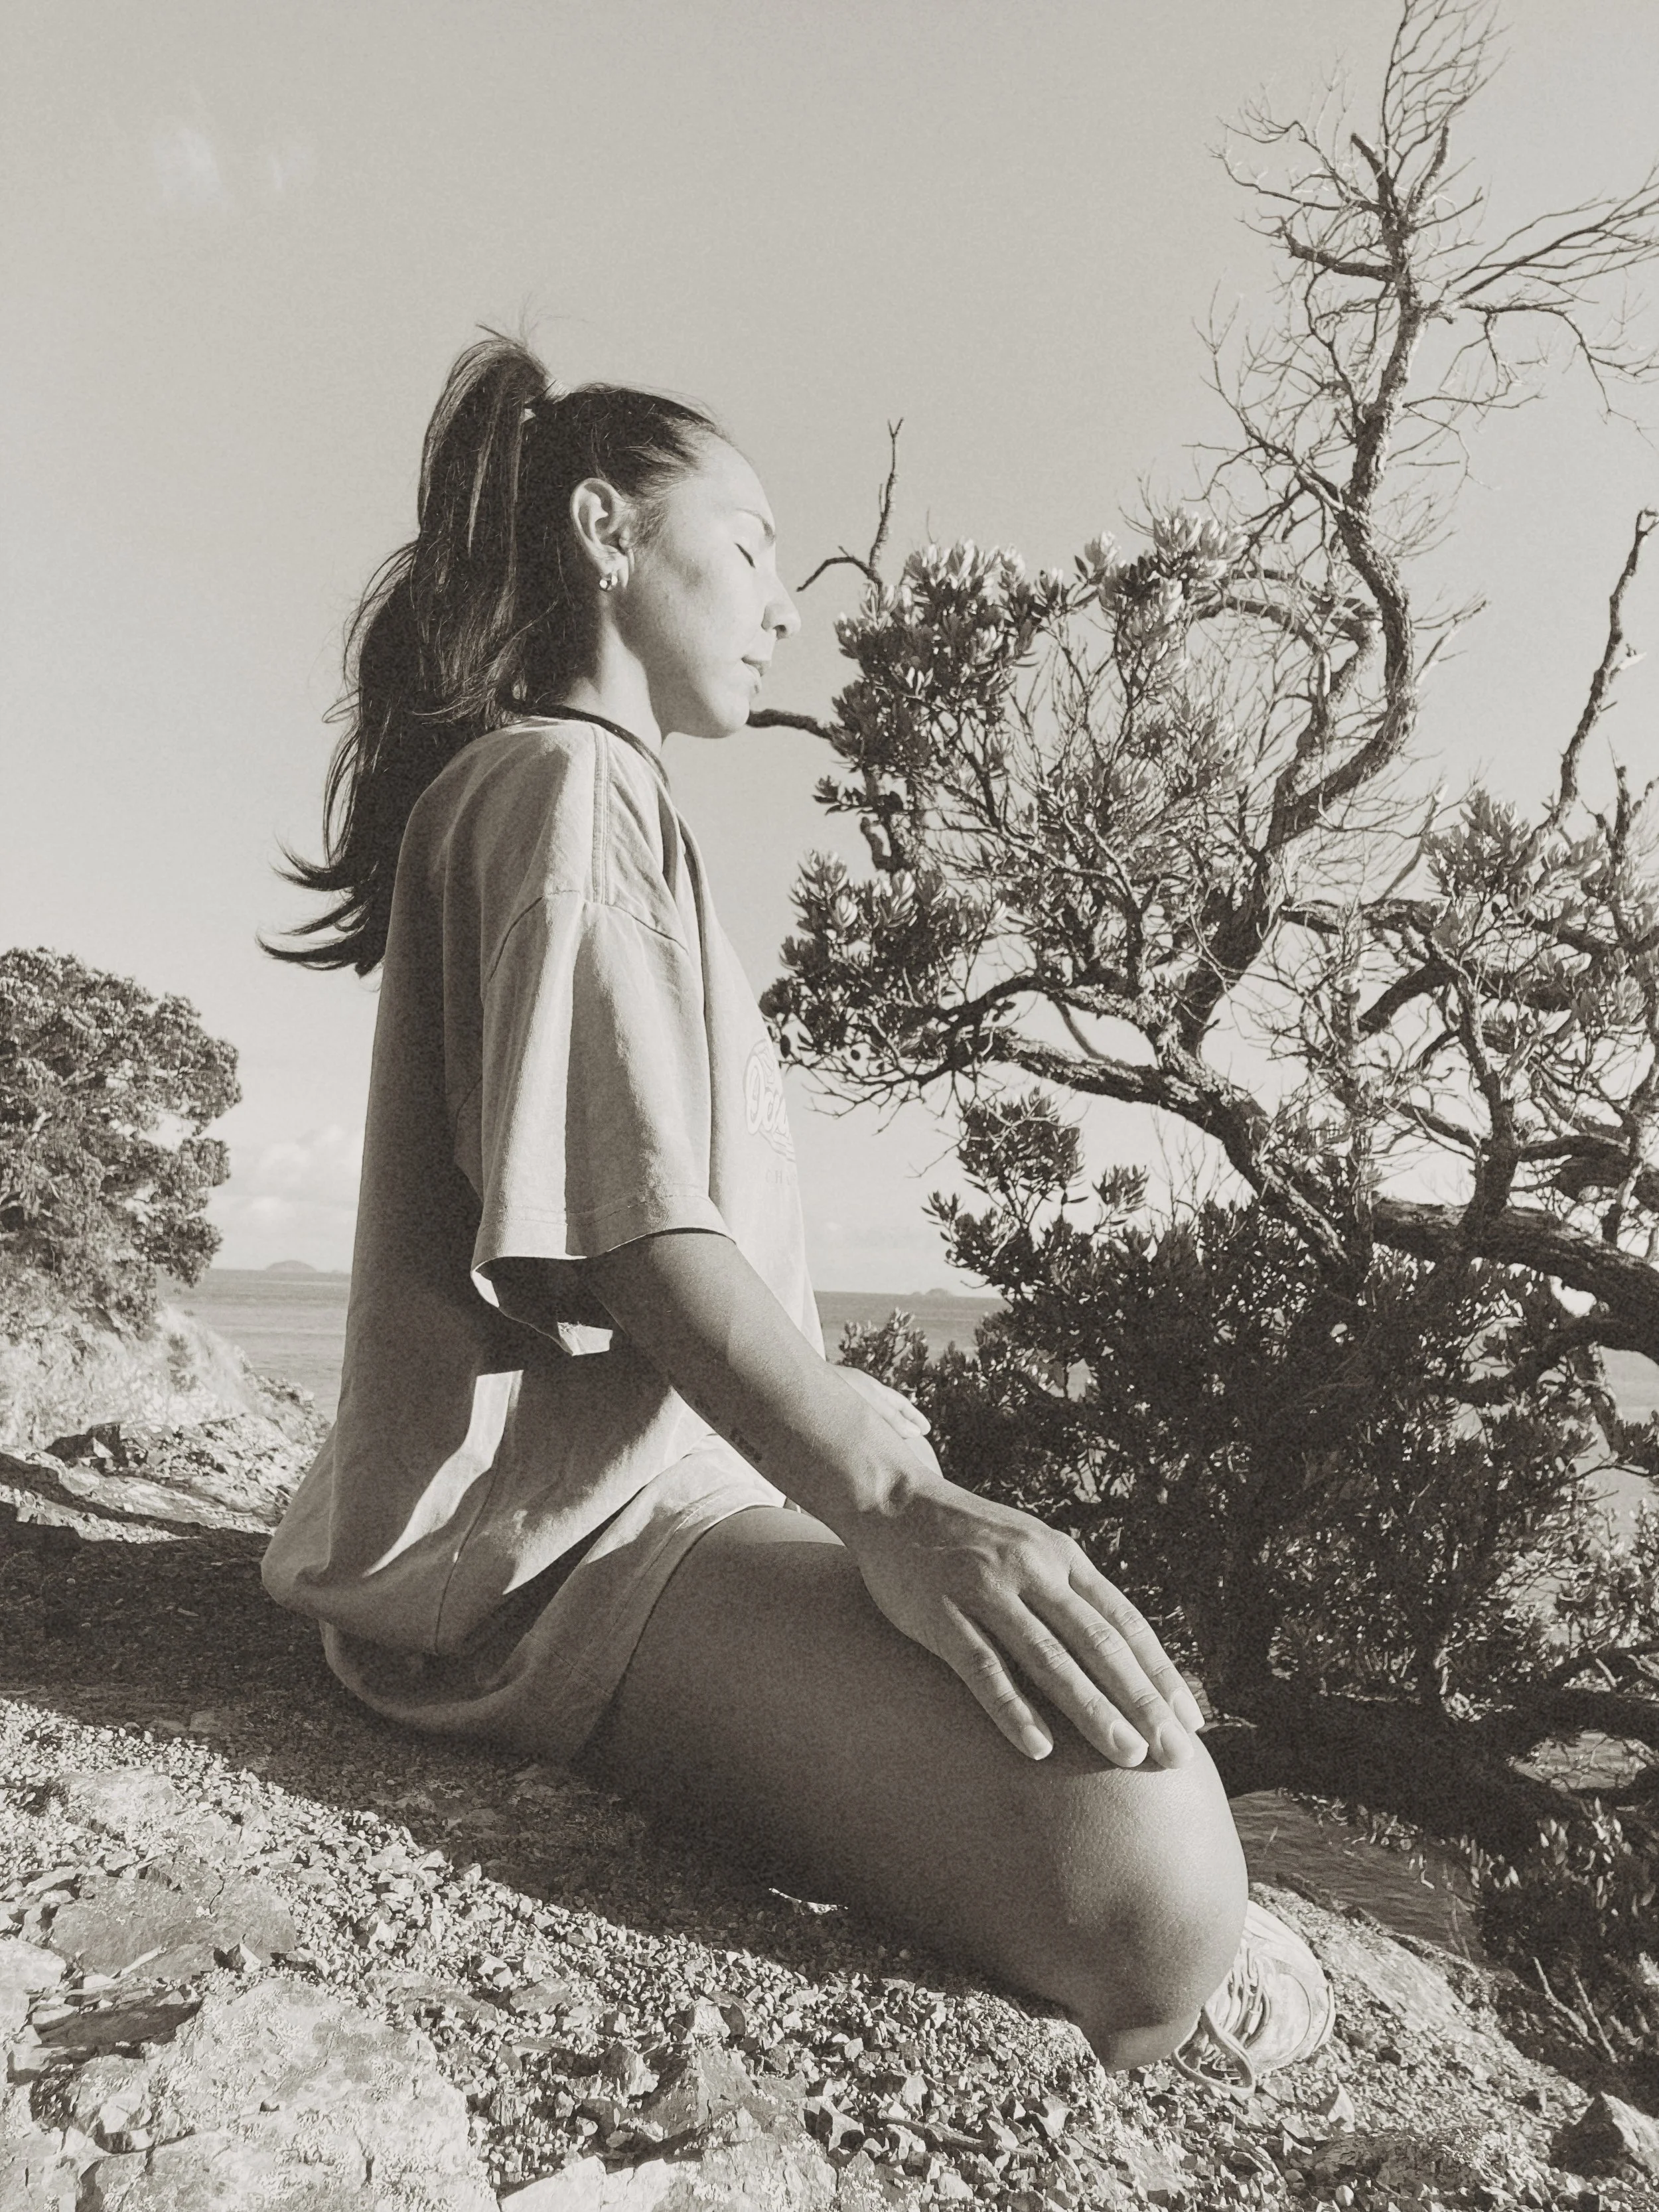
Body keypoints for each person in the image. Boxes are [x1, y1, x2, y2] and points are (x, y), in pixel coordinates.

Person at [263, 334, 1329, 2083]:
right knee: (1147, 1893)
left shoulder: (560, 794)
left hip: (592, 1524)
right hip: (561, 1558)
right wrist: (896, 1501)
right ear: (607, 529)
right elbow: (636, 1246)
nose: (781, 603)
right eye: (751, 542)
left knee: (1111, 1708)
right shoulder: (567, 785)